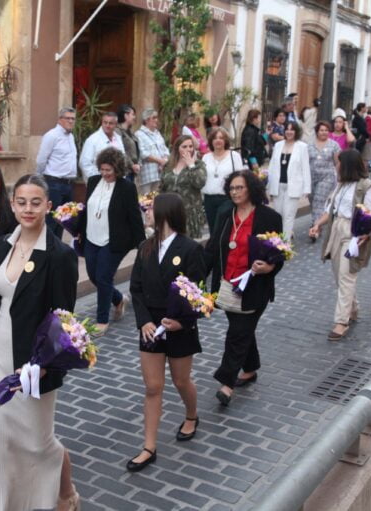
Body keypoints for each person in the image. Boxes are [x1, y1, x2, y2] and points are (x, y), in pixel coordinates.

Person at [0, 174, 80, 511]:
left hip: (32, 365)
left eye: (36, 202)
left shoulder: (59, 255)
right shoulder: (4, 243)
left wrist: (40, 364)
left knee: (37, 444)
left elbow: (62, 320)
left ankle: (64, 494)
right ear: (13, 204)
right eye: (21, 202)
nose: (28, 209)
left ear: (48, 206)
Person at [127, 192, 206, 472]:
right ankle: (149, 446)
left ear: (165, 215)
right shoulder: (145, 247)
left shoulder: (190, 249)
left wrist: (183, 322)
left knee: (181, 380)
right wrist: (144, 322)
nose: (147, 213)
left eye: (150, 209)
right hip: (151, 328)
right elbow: (135, 288)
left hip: (179, 328)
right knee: (152, 387)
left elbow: (200, 294)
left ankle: (192, 414)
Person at [205, 171, 283, 406]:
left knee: (238, 332)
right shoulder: (224, 213)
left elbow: (279, 253)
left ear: (251, 189)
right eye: (232, 188)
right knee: (241, 329)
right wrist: (198, 274)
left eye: (240, 188)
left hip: (254, 287)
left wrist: (269, 268)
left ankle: (226, 382)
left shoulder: (269, 217)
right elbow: (213, 246)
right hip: (227, 284)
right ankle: (250, 368)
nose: (235, 192)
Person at [309, 150, 371, 341]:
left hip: (353, 233)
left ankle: (341, 322)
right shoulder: (340, 185)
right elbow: (330, 211)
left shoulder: (366, 187)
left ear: (346, 165)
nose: (335, 167)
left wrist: (366, 233)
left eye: (338, 163)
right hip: (336, 229)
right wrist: (317, 225)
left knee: (347, 276)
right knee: (340, 276)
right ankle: (353, 307)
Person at [78, 147, 144, 336]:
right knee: (93, 275)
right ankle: (118, 299)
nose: (105, 173)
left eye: (109, 170)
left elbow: (134, 216)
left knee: (104, 277)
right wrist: (78, 231)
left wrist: (142, 243)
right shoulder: (92, 181)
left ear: (117, 169)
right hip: (91, 237)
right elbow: (86, 210)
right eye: (102, 169)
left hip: (114, 240)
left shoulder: (126, 187)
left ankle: (102, 319)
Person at [36, 107, 78, 238]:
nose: (71, 121)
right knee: (52, 221)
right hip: (54, 183)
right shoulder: (52, 135)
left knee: (64, 220)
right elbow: (41, 160)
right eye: (68, 118)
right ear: (60, 119)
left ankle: (57, 252)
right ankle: (47, 250)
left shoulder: (70, 136)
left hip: (68, 184)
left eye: (73, 119)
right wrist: (41, 180)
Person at [267, 121, 310, 241]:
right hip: (278, 185)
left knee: (289, 215)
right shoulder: (278, 145)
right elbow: (272, 166)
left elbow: (305, 168)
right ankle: (278, 239)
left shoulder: (302, 147)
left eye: (292, 129)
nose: (289, 132)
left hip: (293, 186)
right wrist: (268, 185)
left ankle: (285, 244)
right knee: (278, 214)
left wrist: (307, 188)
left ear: (296, 132)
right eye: (287, 129)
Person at [159, 135, 207, 239]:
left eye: (190, 146)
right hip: (170, 211)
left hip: (189, 213)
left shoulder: (199, 165)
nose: (188, 149)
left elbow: (200, 183)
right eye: (184, 147)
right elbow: (162, 187)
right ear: (177, 148)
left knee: (187, 246)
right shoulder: (168, 166)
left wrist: (191, 165)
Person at [201, 127, 244, 235]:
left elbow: (240, 178)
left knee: (225, 230)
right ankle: (214, 252)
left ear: (225, 140)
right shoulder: (206, 157)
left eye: (221, 138)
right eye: (215, 138)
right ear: (211, 141)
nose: (218, 140)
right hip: (209, 199)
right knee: (213, 230)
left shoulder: (234, 156)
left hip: (227, 199)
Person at [308, 121, 341, 232]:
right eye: (322, 130)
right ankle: (320, 221)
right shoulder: (309, 145)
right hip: (311, 177)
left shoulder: (333, 145)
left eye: (326, 130)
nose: (324, 132)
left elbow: (337, 162)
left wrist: (337, 176)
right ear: (317, 132)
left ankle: (315, 225)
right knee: (313, 201)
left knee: (319, 199)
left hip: (327, 177)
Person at [79, 112, 125, 179]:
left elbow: (123, 158)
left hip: (117, 181)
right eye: (105, 122)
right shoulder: (92, 139)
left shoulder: (118, 138)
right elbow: (84, 163)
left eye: (110, 123)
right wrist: (95, 179)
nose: (107, 125)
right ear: (102, 123)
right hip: (99, 181)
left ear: (116, 124)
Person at [135, 108, 170, 196]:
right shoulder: (139, 134)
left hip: (159, 174)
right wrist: (160, 161)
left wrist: (164, 161)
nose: (156, 120)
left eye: (156, 117)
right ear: (146, 120)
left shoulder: (157, 133)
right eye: (154, 118)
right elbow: (143, 154)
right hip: (147, 175)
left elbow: (165, 150)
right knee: (145, 202)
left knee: (156, 202)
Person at [116, 104, 141, 182]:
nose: (134, 117)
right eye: (133, 114)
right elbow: (120, 151)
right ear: (126, 115)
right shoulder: (117, 131)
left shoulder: (130, 132)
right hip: (123, 171)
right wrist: (132, 165)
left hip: (131, 171)